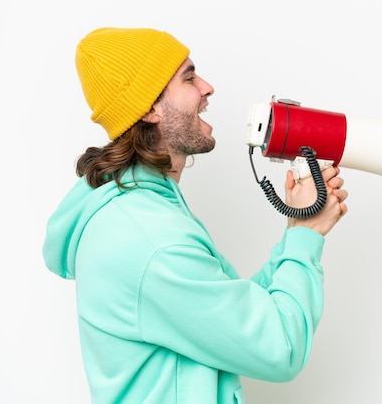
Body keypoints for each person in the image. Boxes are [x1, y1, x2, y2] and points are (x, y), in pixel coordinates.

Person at [43, 27, 348, 404]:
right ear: (150, 109)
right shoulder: (151, 241)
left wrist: (297, 228)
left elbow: (231, 314)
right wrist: (307, 237)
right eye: (188, 77)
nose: (207, 87)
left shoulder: (141, 212)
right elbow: (279, 346)